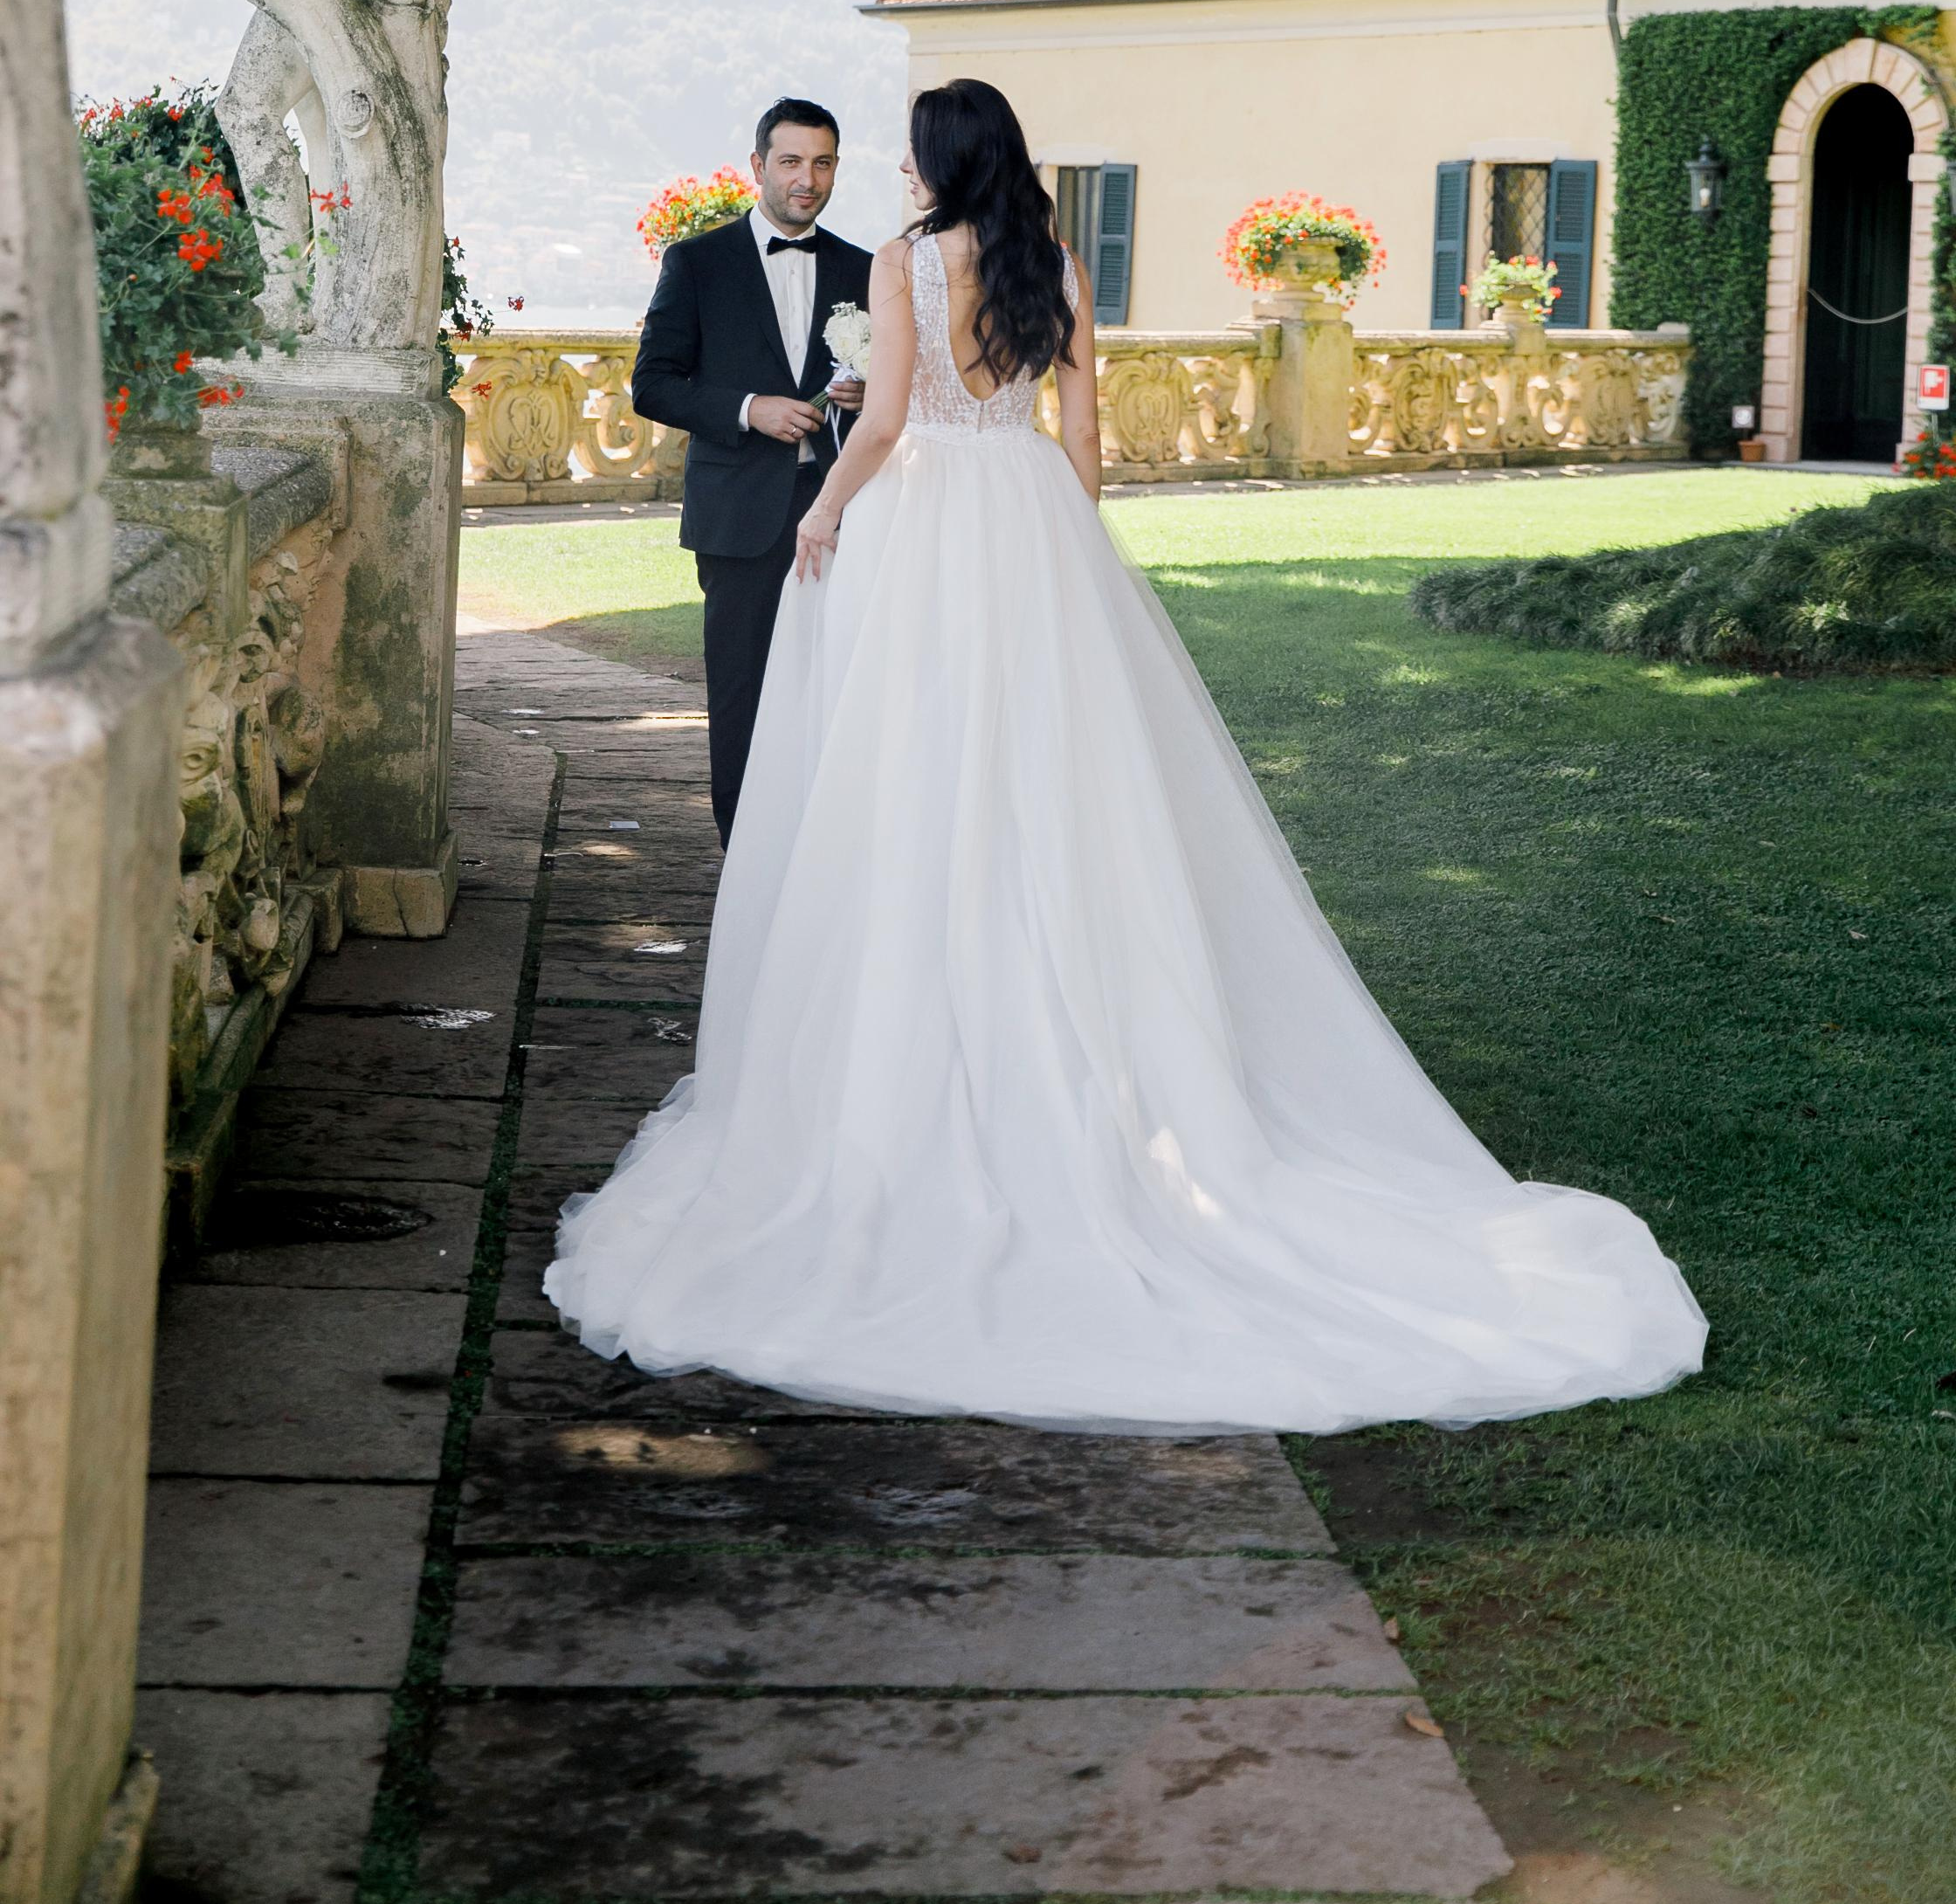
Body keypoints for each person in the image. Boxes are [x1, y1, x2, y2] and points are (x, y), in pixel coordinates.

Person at [551, 79, 1705, 1435]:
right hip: (1031, 522)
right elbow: (1083, 434)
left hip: (929, 530)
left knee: (915, 775)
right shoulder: (1057, 264)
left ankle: (926, 1031)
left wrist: (830, 521)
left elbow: (881, 423)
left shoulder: (911, 259)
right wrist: (1073, 547)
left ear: (936, 159)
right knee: (1058, 785)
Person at [630, 98, 872, 845]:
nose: (808, 179)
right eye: (793, 162)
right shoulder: (698, 263)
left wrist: (860, 400)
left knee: (835, 689)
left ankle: (823, 854)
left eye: (823, 162)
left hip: (843, 511)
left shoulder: (863, 269)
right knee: (742, 691)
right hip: (739, 516)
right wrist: (747, 409)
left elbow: (890, 396)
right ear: (759, 166)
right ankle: (742, 854)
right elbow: (652, 383)